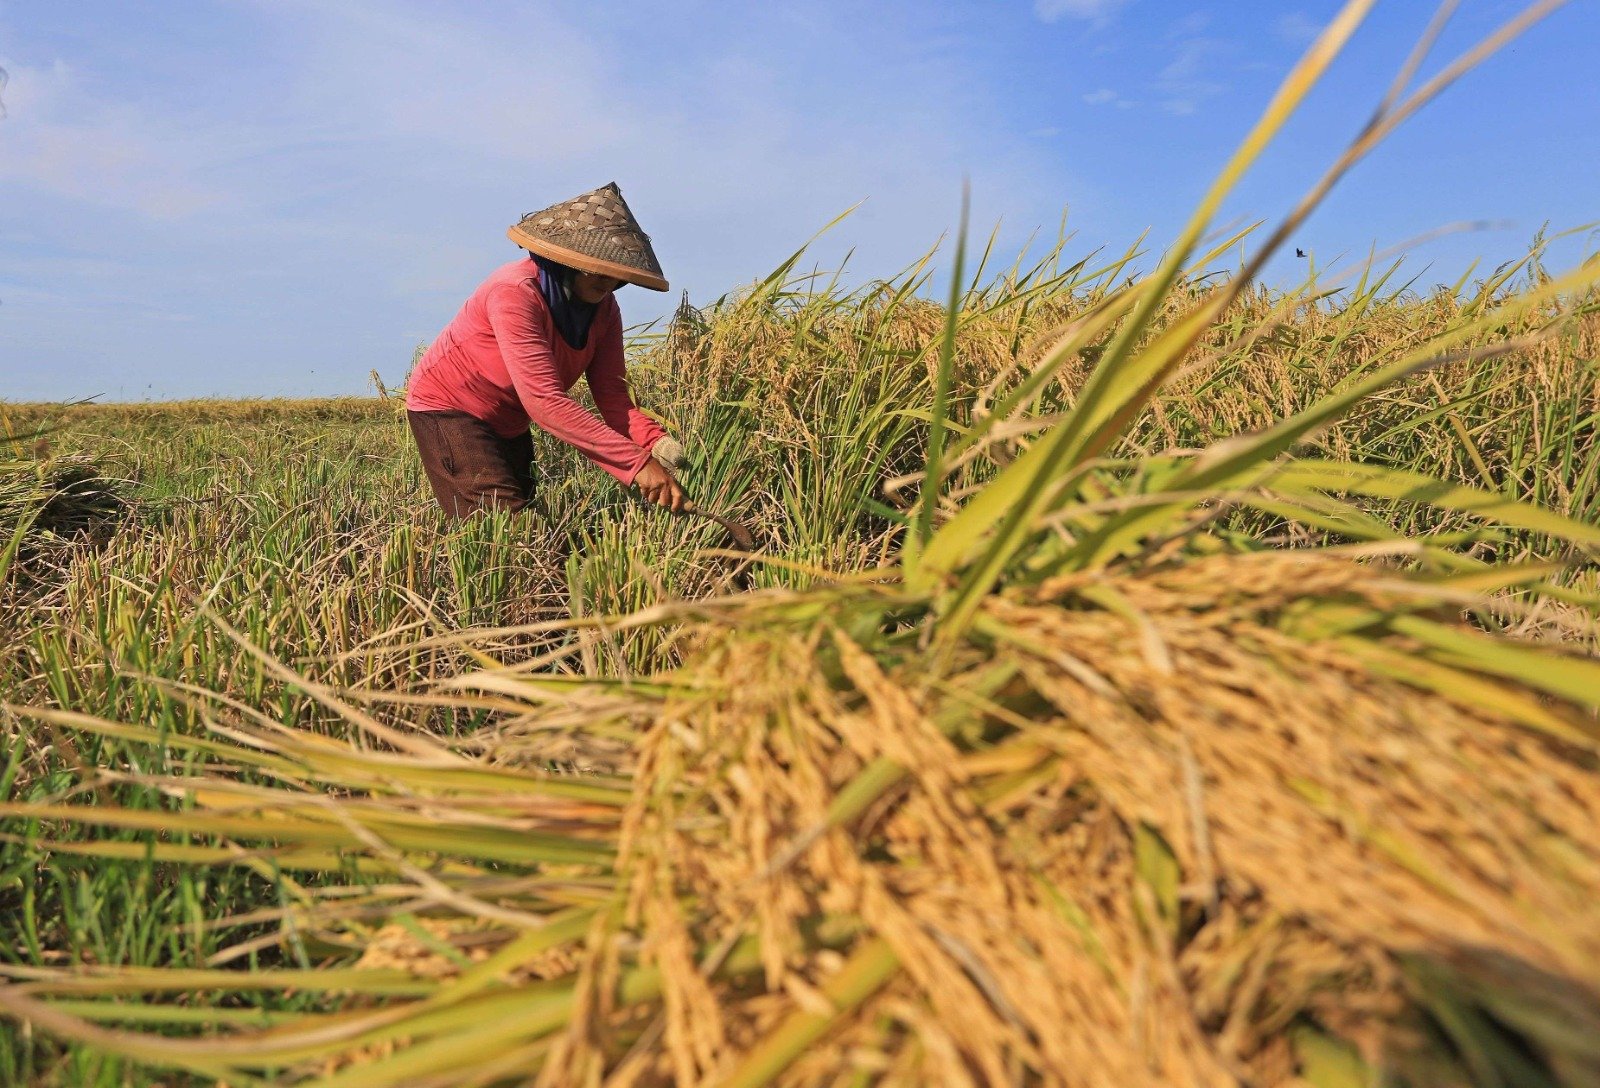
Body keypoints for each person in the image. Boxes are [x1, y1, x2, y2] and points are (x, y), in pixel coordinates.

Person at [405, 182, 688, 518]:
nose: (607, 281)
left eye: (614, 273)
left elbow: (613, 397)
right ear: (565, 261)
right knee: (504, 526)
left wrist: (655, 442)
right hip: (450, 407)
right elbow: (544, 401)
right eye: (594, 268)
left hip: (509, 420)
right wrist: (636, 465)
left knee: (525, 519)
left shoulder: (605, 311)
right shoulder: (514, 292)